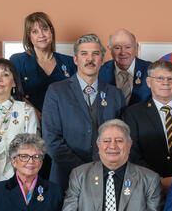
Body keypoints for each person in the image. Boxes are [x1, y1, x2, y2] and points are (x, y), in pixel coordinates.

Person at [42, 33, 123, 189]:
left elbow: (122, 138)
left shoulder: (115, 94)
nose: (89, 59)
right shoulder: (56, 91)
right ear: (75, 59)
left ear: (102, 59)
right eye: (84, 54)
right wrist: (84, 170)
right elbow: (51, 140)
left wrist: (102, 168)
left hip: (107, 178)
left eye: (95, 54)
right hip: (65, 178)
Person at [122, 60, 172, 191]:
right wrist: (156, 180)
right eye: (160, 78)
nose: (166, 83)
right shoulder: (133, 114)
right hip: (146, 185)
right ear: (149, 82)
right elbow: (133, 153)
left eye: (171, 78)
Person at [9, 11, 76, 112]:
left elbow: (76, 96)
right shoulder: (17, 61)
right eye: (35, 32)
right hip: (29, 120)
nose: (41, 35)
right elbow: (13, 94)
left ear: (51, 31)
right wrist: (37, 116)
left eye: (45, 29)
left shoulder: (69, 62)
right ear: (29, 36)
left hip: (63, 121)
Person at [99, 28, 152, 106]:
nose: (123, 52)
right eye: (117, 48)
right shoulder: (100, 72)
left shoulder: (151, 70)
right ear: (109, 49)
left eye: (127, 47)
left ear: (136, 47)